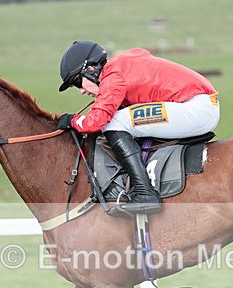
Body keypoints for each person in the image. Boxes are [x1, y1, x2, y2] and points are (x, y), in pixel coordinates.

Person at [56, 40, 220, 214]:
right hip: (200, 105)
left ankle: (144, 192)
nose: (81, 91)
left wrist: (72, 121)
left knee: (115, 122)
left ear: (91, 69)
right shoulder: (120, 64)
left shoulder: (113, 76)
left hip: (196, 108)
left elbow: (96, 121)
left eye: (77, 82)